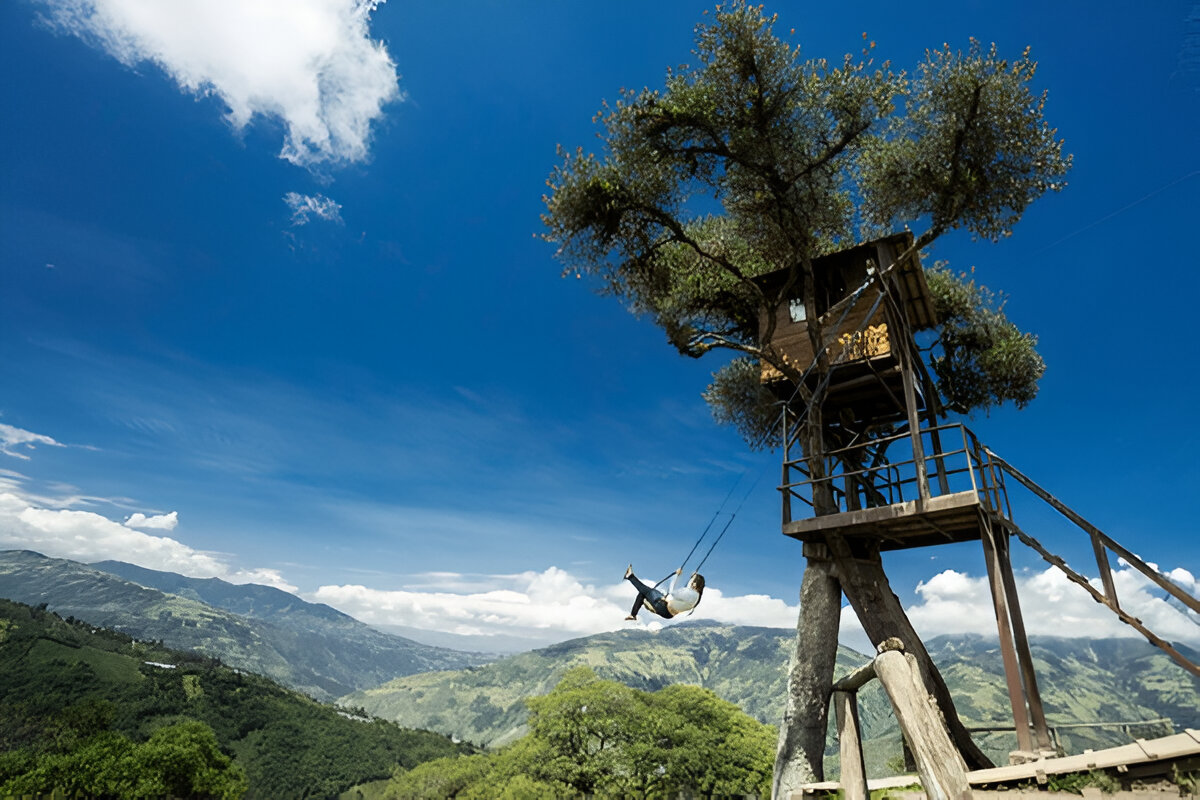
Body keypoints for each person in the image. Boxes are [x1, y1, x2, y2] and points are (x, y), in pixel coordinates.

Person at [623, 564, 704, 620]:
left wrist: (676, 575)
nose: (690, 580)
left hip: (663, 607)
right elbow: (687, 589)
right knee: (642, 593)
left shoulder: (689, 593)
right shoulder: (696, 597)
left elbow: (671, 592)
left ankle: (630, 576)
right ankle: (633, 615)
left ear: (695, 583)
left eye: (692, 580)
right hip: (668, 613)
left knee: (647, 591)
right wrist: (694, 576)